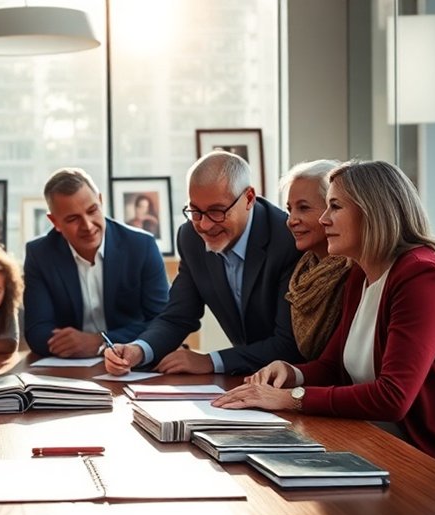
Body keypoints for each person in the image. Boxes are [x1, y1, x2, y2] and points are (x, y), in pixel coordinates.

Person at [213, 160, 435, 462]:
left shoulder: (423, 277)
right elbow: (332, 367)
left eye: (335, 207)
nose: (325, 219)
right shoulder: (360, 273)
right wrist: (291, 374)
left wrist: (291, 399)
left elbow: (392, 397)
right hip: (393, 449)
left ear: (373, 212)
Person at [105, 151, 303, 376]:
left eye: (217, 212)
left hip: (296, 381)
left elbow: (289, 345)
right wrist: (138, 350)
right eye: (196, 211)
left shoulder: (288, 240)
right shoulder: (190, 237)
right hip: (246, 380)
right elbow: (178, 316)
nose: (205, 225)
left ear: (248, 198)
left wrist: (211, 361)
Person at [24, 167, 169, 358]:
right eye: (73, 218)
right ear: (55, 222)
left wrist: (101, 341)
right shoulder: (40, 254)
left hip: (131, 362)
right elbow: (37, 331)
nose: (88, 225)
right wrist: (73, 345)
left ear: (100, 201)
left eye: (92, 210)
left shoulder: (142, 246)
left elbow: (163, 321)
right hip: (67, 370)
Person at [281, 160, 352, 360]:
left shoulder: (355, 271)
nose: (291, 220)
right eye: (289, 210)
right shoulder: (302, 272)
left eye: (303, 208)